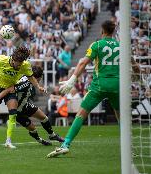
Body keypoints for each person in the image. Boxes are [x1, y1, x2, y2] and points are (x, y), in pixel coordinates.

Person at [47, 20, 120, 157]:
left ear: (102, 31)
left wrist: (72, 80)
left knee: (81, 114)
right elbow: (133, 64)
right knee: (120, 116)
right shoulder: (121, 46)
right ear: (114, 31)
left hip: (99, 85)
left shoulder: (97, 45)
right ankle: (130, 149)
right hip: (117, 85)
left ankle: (65, 144)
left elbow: (82, 62)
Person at [0, 66, 64, 146]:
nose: (40, 81)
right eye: (40, 79)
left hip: (25, 105)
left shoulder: (28, 80)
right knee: (32, 128)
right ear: (36, 78)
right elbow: (8, 89)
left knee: (44, 117)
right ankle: (40, 140)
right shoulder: (24, 83)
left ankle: (52, 135)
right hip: (17, 110)